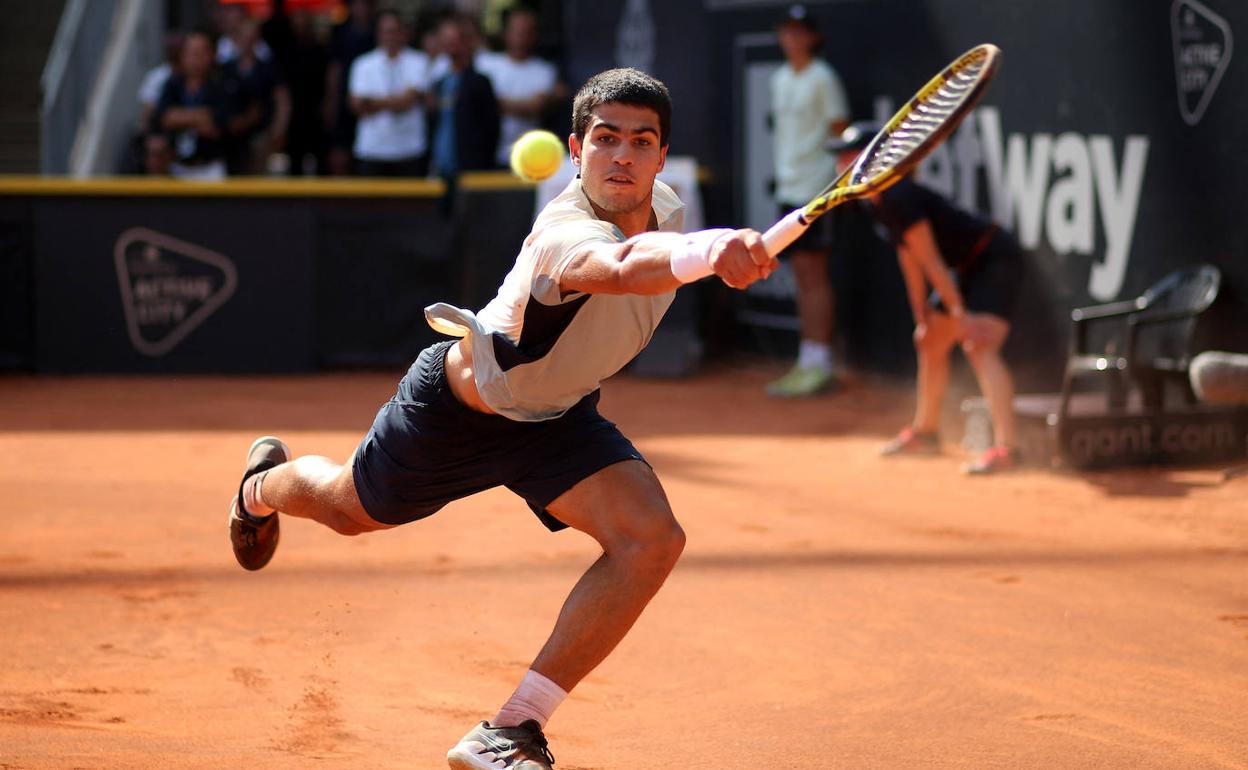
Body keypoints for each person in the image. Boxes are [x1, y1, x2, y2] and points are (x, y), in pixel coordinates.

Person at [226, 68, 776, 769]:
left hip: (557, 418)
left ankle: (513, 729)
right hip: (455, 415)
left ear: (662, 157)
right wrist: (709, 251)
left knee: (651, 539)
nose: (623, 157)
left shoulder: (666, 209)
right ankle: (259, 487)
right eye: (606, 139)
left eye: (642, 142)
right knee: (346, 511)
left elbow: (654, 247)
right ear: (576, 150)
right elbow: (623, 266)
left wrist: (703, 247)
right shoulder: (564, 229)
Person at [832, 123, 1025, 474]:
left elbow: (932, 262)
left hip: (995, 258)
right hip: (968, 266)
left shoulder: (897, 196)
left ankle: (1007, 448)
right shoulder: (876, 201)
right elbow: (909, 257)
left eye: (848, 155)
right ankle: (927, 432)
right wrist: (921, 312)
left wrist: (960, 314)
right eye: (840, 157)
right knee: (930, 341)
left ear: (876, 161)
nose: (840, 164)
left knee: (978, 345)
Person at [766, 4, 850, 398]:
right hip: (788, 189)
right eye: (787, 31)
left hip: (815, 190)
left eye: (801, 31)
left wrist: (832, 187)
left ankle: (819, 363)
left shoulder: (823, 78)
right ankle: (808, 360)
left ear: (813, 37)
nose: (793, 38)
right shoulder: (781, 78)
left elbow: (840, 136)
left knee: (813, 275)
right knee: (803, 277)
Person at [478, 6, 565, 168]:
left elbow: (536, 107)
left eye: (528, 31)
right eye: (517, 30)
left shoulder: (544, 71)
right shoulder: (485, 64)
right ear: (505, 32)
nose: (522, 36)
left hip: (528, 156)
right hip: (487, 153)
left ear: (535, 34)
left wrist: (494, 103)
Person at [348, 9, 431, 176]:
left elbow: (406, 102)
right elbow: (356, 105)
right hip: (372, 150)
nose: (390, 36)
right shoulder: (363, 64)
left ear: (403, 33)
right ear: (378, 34)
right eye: (385, 31)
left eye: (394, 31)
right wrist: (396, 101)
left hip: (409, 149)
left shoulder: (419, 61)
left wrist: (372, 102)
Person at [150, 29, 230, 180]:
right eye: (191, 53)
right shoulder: (172, 84)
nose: (195, 59)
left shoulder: (220, 86)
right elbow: (163, 118)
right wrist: (200, 117)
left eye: (201, 53)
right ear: (182, 55)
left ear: (212, 55)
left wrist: (180, 119)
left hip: (209, 168)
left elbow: (216, 126)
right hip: (177, 166)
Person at [428, 15, 501, 179]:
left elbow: (491, 128)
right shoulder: (438, 83)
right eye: (446, 39)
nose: (451, 44)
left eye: (456, 39)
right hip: (440, 166)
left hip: (469, 168)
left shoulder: (480, 82)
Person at [221, 19, 290, 175]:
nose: (248, 42)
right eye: (244, 37)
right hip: (231, 134)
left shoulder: (268, 68)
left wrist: (279, 129)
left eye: (252, 37)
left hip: (261, 134)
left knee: (258, 174)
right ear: (237, 38)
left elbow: (282, 100)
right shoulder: (225, 69)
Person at [325, 0, 376, 175]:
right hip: (344, 95)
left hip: (372, 98)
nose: (361, 8)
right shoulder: (340, 31)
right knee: (340, 152)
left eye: (365, 4)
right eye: (357, 4)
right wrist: (331, 99)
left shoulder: (376, 30)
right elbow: (334, 67)